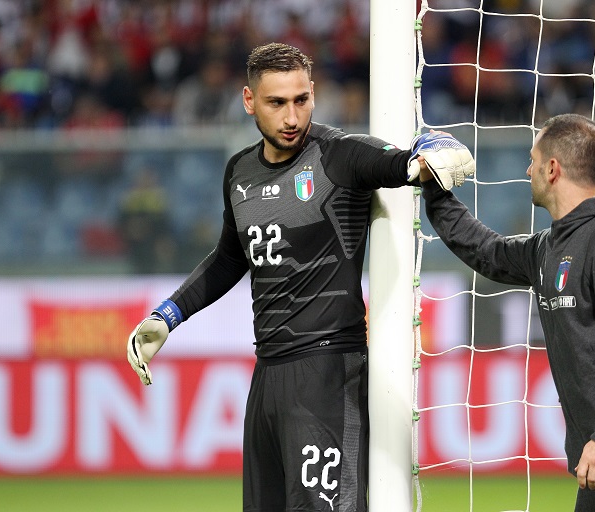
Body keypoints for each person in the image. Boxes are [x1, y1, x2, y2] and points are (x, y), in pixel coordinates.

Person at [125, 42, 474, 512]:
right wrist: (168, 316)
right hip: (267, 377)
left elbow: (405, 162)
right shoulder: (239, 172)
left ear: (312, 93)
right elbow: (231, 258)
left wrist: (437, 150)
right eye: (276, 103)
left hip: (328, 373)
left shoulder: (338, 156)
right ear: (249, 101)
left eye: (301, 100)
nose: (292, 117)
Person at [420, 113, 595, 511]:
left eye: (533, 159)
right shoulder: (548, 246)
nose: (527, 169)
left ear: (552, 169)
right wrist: (435, 189)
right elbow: (485, 251)